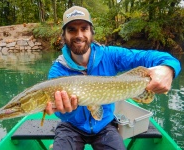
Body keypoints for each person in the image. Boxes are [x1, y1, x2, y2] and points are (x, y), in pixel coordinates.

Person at [45, 6, 181, 150]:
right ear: (64, 35)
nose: (79, 35)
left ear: (91, 32)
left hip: (105, 125)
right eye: (72, 29)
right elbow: (62, 114)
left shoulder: (110, 55)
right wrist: (66, 111)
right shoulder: (57, 72)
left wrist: (169, 68)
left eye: (84, 28)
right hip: (71, 126)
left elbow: (156, 57)